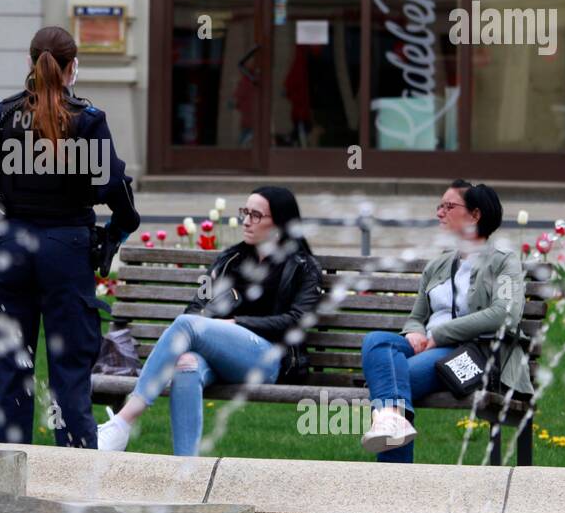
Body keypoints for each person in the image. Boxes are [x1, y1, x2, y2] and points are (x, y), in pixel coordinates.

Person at [0, 26, 140, 449]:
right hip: (67, 250)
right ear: (72, 67)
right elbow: (115, 188)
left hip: (11, 250)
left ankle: (5, 476)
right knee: (70, 375)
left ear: (30, 63)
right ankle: (73, 479)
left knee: (10, 373)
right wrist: (120, 227)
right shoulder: (88, 121)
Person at [98, 186, 322, 456]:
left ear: (280, 223)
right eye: (245, 213)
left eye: (256, 215)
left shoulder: (302, 266)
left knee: (186, 324)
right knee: (186, 364)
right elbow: (197, 306)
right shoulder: (229, 261)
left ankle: (123, 421)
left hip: (270, 360)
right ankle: (186, 471)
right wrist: (215, 328)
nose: (246, 221)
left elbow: (297, 322)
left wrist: (237, 324)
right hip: (223, 358)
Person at [358, 180, 530, 462]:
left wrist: (441, 334)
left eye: (449, 206)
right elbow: (416, 317)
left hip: (472, 355)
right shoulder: (436, 265)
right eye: (439, 206)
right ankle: (393, 426)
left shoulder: (503, 261)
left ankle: (394, 484)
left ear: (475, 215)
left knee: (393, 383)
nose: (440, 212)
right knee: (375, 340)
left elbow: (504, 313)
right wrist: (414, 332)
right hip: (428, 348)